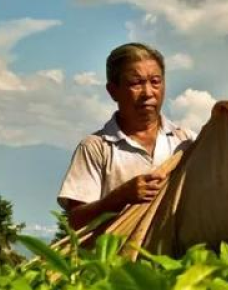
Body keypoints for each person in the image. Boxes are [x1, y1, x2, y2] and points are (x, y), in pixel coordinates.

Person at [57, 43, 195, 230]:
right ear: (113, 91)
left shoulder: (186, 142)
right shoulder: (96, 147)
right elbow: (76, 221)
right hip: (117, 258)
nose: (148, 93)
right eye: (136, 83)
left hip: (177, 259)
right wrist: (120, 197)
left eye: (155, 81)